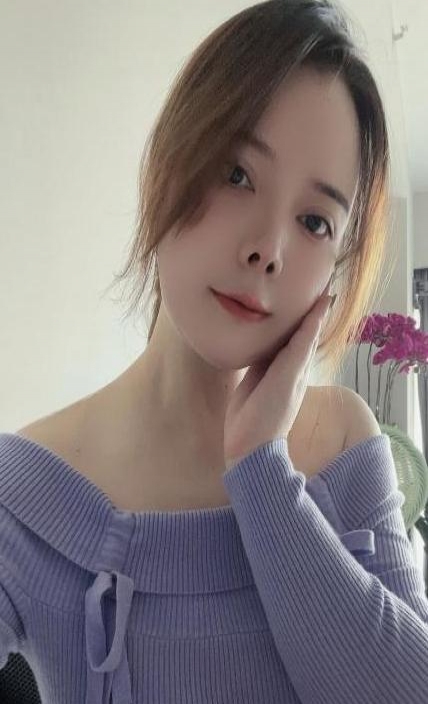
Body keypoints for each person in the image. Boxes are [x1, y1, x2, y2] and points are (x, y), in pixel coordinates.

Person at [1, 1, 427, 703]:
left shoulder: (345, 442)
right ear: (170, 163)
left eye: (315, 221)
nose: (269, 249)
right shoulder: (26, 493)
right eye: (236, 175)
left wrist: (262, 472)